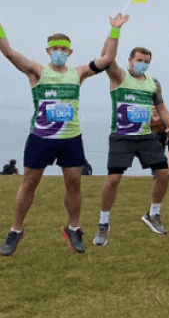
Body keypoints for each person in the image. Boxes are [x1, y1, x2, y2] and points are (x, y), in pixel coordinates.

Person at [0, 13, 125, 256]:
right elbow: (9, 52)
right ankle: (16, 230)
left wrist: (115, 29)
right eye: (55, 48)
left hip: (71, 138)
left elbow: (108, 58)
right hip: (40, 137)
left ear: (70, 52)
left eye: (63, 48)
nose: (59, 51)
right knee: (30, 183)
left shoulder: (77, 73)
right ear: (48, 50)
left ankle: (73, 228)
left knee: (74, 183)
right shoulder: (36, 71)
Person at [93, 35, 169, 246]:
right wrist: (114, 31)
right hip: (121, 137)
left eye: (146, 61)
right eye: (139, 60)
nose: (143, 64)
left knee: (164, 173)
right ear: (130, 60)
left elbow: (161, 108)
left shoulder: (153, 83)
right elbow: (105, 57)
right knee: (113, 180)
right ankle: (104, 223)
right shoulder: (119, 77)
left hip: (146, 137)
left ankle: (153, 214)